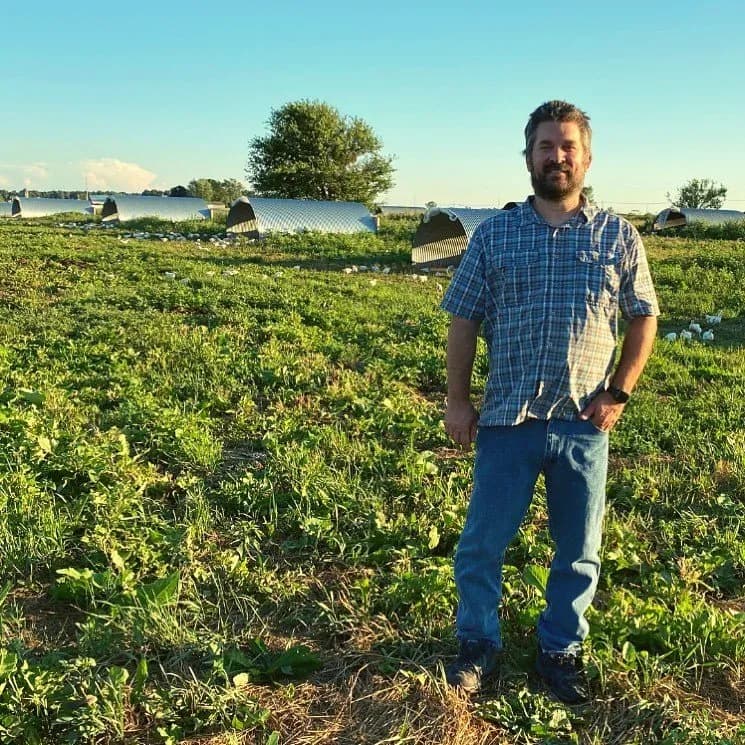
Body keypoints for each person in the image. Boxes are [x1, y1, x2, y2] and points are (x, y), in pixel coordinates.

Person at [440, 100, 659, 703]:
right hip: (507, 418)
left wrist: (619, 390)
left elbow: (644, 318)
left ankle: (559, 651)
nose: (556, 157)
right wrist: (458, 401)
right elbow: (463, 319)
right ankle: (478, 646)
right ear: (528, 156)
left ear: (586, 158)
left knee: (579, 551)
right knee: (483, 542)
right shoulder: (496, 233)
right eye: (545, 146)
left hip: (584, 423)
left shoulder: (618, 236)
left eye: (568, 147)